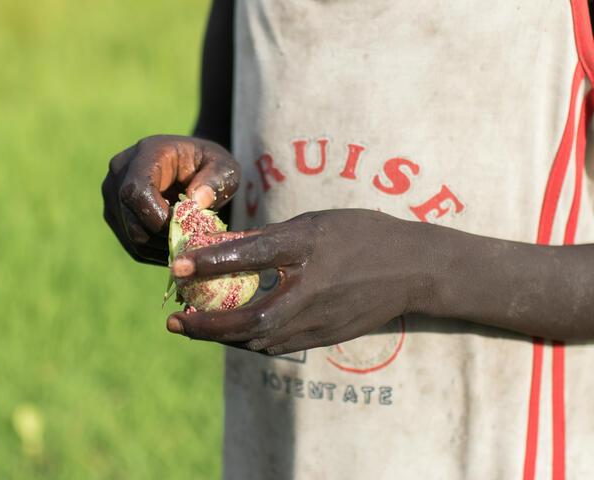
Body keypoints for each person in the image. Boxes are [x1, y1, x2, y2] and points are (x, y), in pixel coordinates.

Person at [102, 0, 594, 478]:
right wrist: (182, 196)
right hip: (279, 446)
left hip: (489, 454)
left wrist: (422, 270)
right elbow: (229, 146)